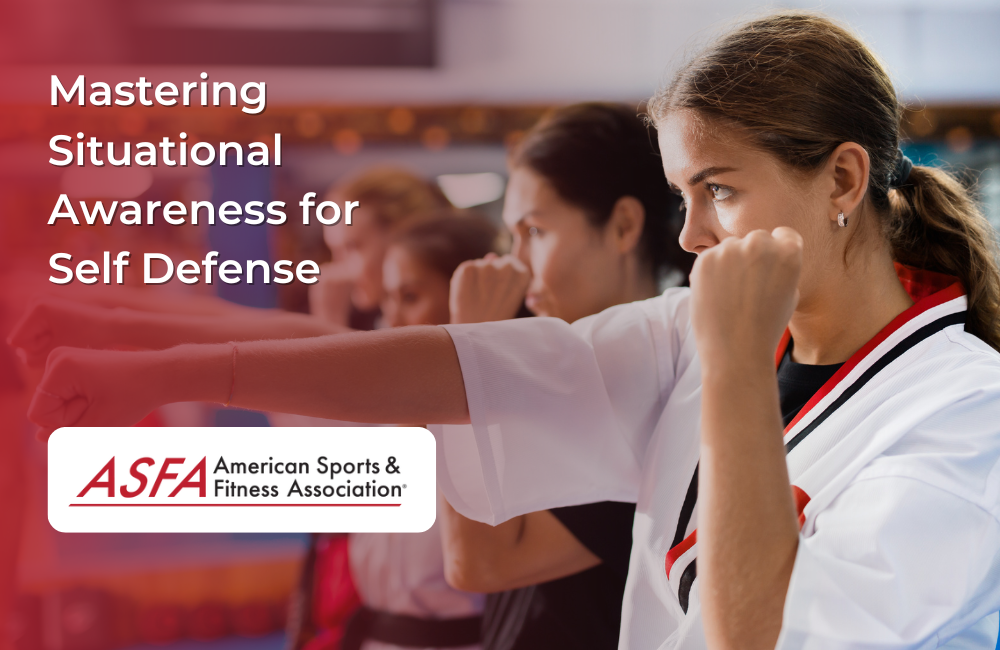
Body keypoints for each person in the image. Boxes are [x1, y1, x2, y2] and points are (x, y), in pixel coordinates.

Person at [14, 12, 1000, 650]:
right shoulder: (693, 334)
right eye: (683, 196)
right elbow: (456, 372)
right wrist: (161, 366)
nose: (693, 235)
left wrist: (738, 370)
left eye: (720, 191)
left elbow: (755, 636)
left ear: (841, 179)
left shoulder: (964, 414)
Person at [440, 103, 690, 650]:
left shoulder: (649, 390)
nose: (517, 264)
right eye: (512, 237)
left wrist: (469, 347)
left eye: (535, 230)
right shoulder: (568, 370)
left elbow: (479, 563)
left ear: (623, 226)